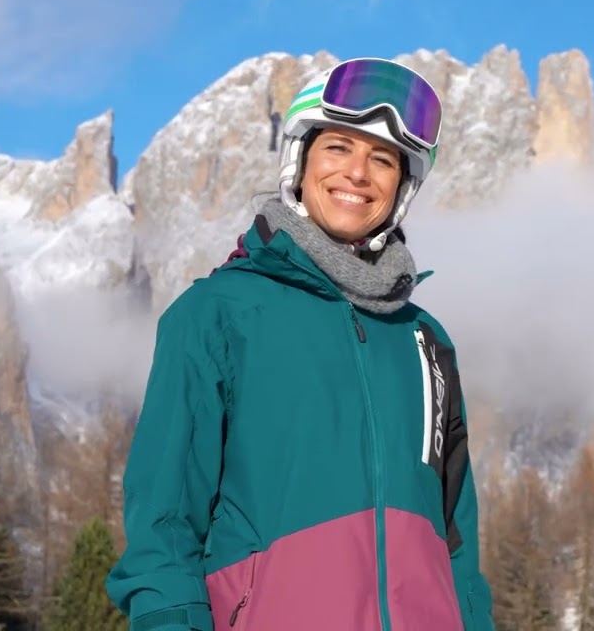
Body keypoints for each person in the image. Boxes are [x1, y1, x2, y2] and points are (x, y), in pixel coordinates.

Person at [105, 57, 495, 631]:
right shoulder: (216, 315)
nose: (359, 173)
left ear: (401, 187)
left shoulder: (426, 342)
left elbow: (456, 544)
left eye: (383, 159)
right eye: (338, 148)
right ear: (300, 160)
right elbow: (164, 525)